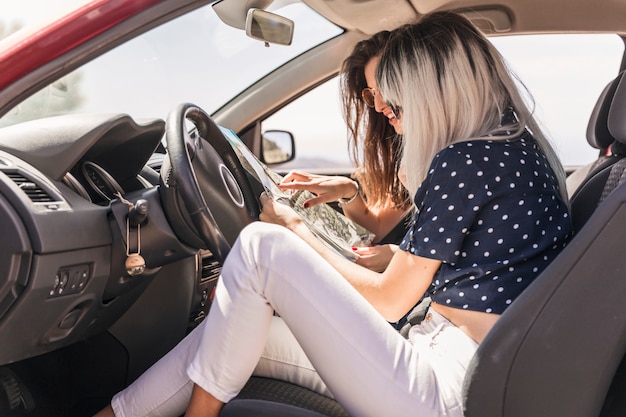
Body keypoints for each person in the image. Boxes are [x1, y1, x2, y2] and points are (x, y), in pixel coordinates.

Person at [95, 11, 572, 417]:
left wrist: (297, 229)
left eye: (394, 100)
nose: (386, 110)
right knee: (234, 326)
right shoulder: (517, 151)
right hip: (463, 370)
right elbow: (490, 262)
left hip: (444, 390)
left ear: (434, 92)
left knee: (262, 249)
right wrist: (390, 254)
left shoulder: (466, 161)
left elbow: (390, 302)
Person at [280, 30, 413, 273]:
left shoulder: (452, 161)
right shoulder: (406, 157)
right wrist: (348, 192)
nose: (380, 106)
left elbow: (448, 259)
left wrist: (399, 258)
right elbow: (379, 228)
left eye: (386, 87)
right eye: (372, 93)